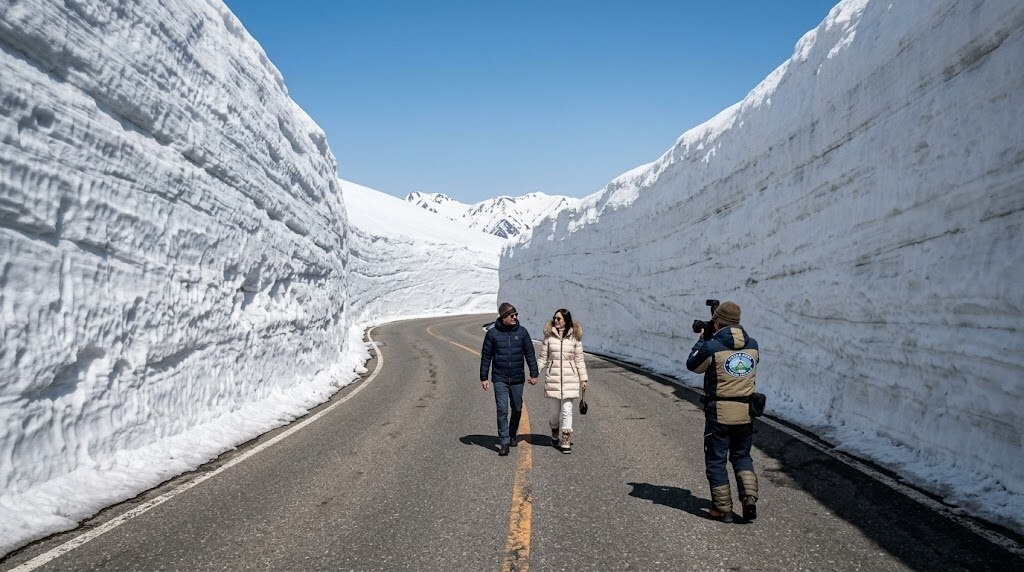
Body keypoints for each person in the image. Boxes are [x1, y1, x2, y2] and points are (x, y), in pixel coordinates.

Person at [685, 300, 760, 523]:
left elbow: (693, 365)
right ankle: (749, 498)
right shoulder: (753, 344)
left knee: (717, 460)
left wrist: (702, 340)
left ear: (717, 321)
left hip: (719, 413)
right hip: (746, 412)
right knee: (742, 456)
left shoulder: (712, 346)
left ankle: (722, 508)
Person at [480, 302, 538, 456]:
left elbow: (530, 354)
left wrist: (534, 373)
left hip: (517, 378)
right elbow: (486, 357)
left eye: (516, 315)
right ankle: (504, 441)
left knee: (517, 408)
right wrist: (484, 377)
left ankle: (512, 434)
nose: (515, 317)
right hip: (500, 378)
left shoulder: (523, 332)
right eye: (512, 315)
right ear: (503, 317)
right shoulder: (492, 334)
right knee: (502, 410)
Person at [537, 308, 588, 453]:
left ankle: (565, 439)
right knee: (555, 413)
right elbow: (543, 358)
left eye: (559, 319)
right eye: (554, 318)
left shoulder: (575, 338)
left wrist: (583, 378)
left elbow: (579, 359)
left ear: (566, 320)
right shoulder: (549, 337)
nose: (555, 321)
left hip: (570, 379)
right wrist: (535, 372)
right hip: (553, 378)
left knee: (567, 410)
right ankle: (554, 429)